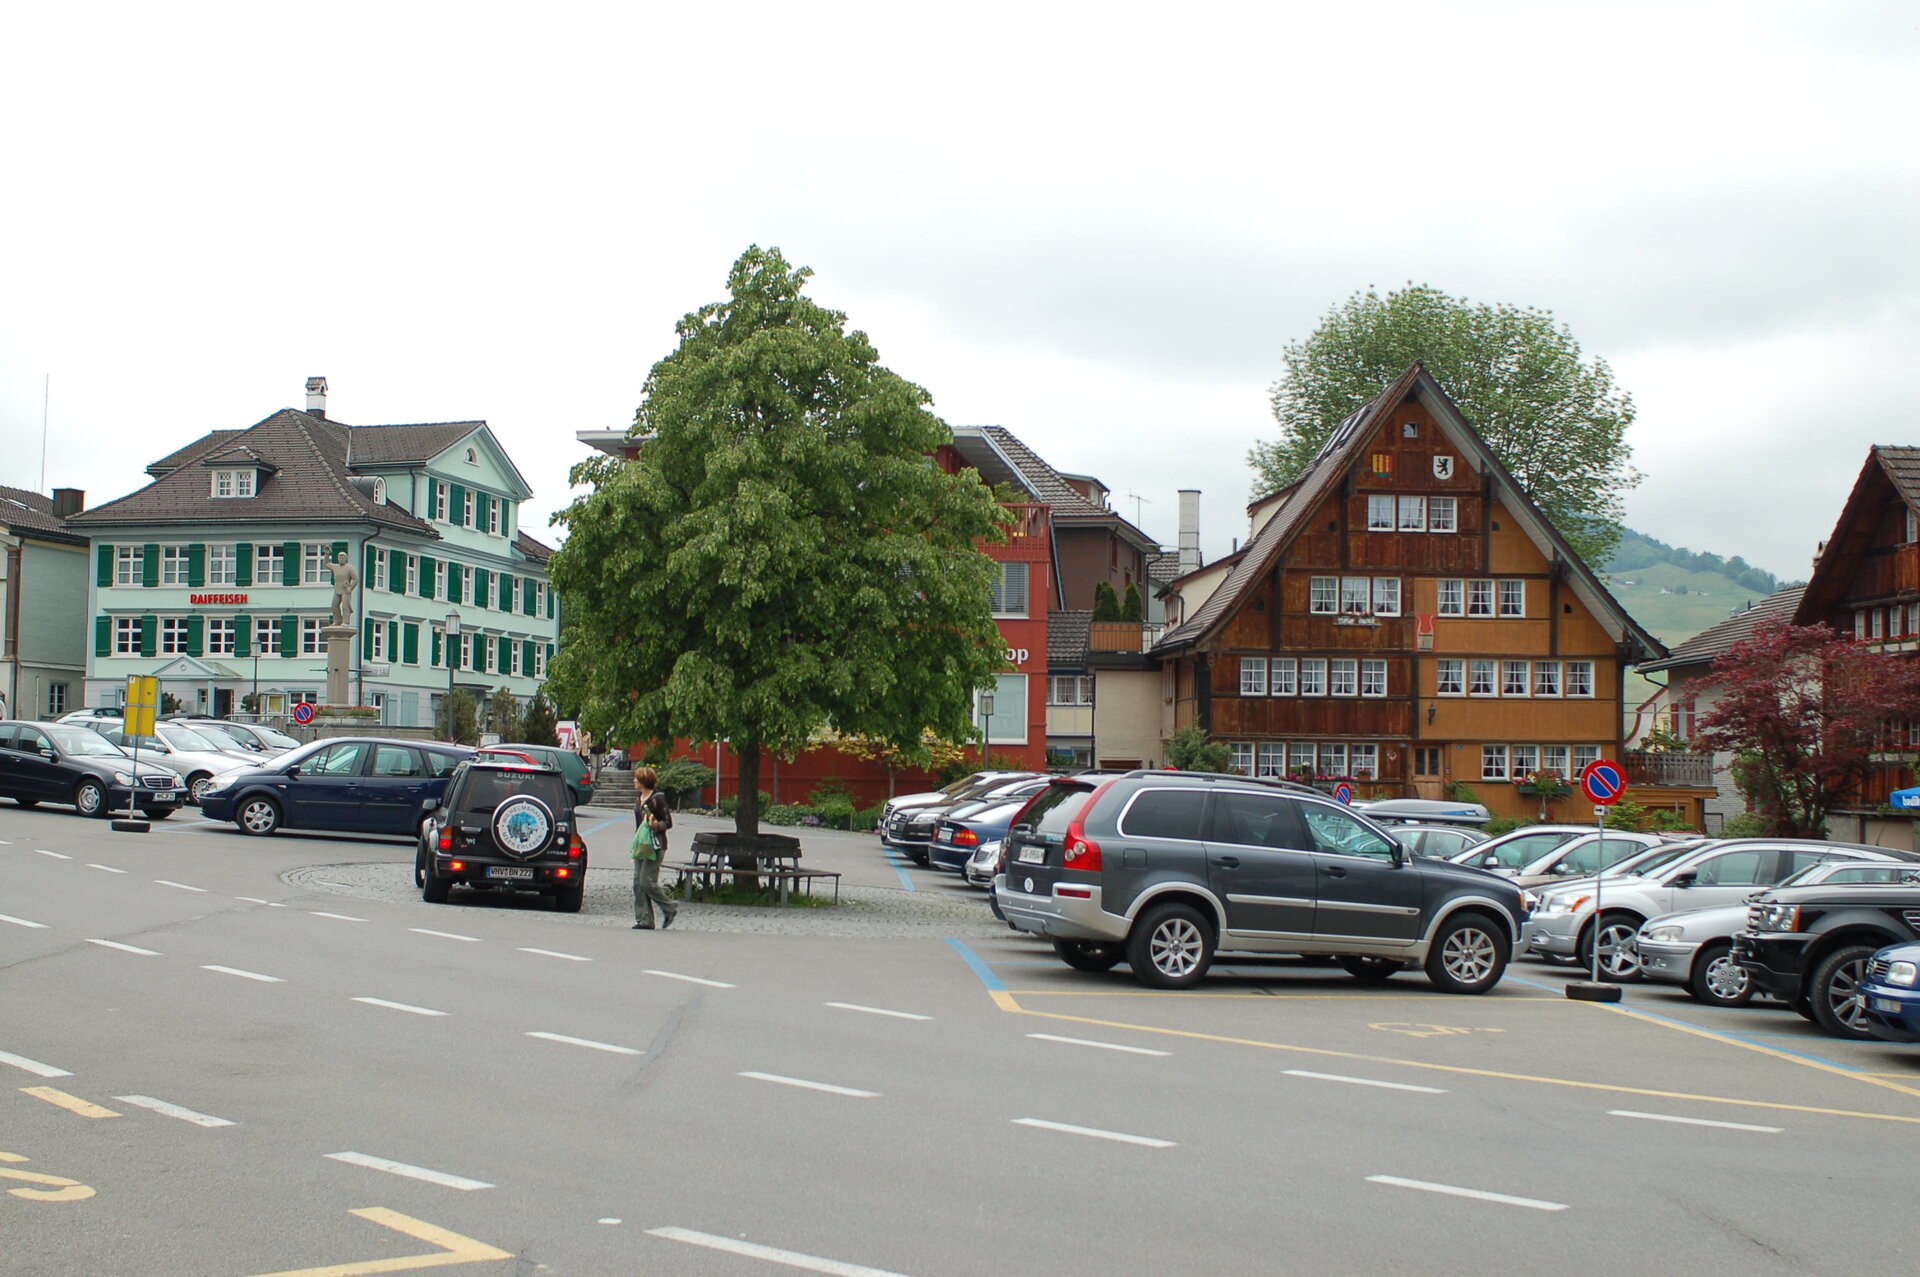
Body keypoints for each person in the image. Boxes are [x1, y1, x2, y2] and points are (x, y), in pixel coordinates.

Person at [631, 766, 677, 930]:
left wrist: (655, 825)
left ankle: (669, 907)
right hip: (641, 845)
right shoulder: (639, 798)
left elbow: (667, 822)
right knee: (637, 883)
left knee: (647, 881)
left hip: (655, 846)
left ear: (644, 781)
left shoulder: (657, 799)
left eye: (637, 778)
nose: (634, 781)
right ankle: (645, 920)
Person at [326, 551, 359, 627]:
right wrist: (327, 554)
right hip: (337, 590)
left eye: (343, 557)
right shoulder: (335, 567)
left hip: (345, 590)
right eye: (340, 557)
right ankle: (337, 621)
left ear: (346, 558)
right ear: (338, 558)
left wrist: (350, 587)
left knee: (345, 606)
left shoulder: (349, 567)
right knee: (334, 606)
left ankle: (346, 622)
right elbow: (326, 564)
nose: (341, 559)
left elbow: (356, 579)